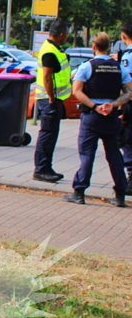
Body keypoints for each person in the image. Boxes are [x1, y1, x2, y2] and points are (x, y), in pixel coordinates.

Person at [63, 33, 132, 207]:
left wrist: (95, 106)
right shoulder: (118, 68)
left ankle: (79, 191)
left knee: (87, 154)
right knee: (114, 154)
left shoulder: (87, 67)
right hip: (111, 117)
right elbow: (129, 92)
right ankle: (120, 195)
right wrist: (113, 104)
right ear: (109, 47)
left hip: (92, 117)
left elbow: (77, 91)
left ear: (94, 46)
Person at [32, 20, 72, 183]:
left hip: (54, 99)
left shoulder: (54, 48)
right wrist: (51, 99)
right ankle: (41, 169)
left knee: (50, 135)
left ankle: (46, 167)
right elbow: (47, 77)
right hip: (49, 100)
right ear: (62, 34)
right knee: (47, 135)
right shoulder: (49, 51)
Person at [117, 21, 132, 182]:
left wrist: (121, 109)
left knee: (128, 141)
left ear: (123, 36)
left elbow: (127, 86)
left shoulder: (128, 56)